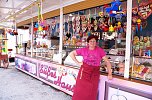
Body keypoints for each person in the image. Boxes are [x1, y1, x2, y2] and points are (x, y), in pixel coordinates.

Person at [69, 35, 112, 100]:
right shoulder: (83, 49)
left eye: (94, 41)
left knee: (92, 91)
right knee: (80, 90)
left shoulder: (100, 50)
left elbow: (107, 62)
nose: (92, 43)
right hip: (84, 73)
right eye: (91, 41)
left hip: (94, 73)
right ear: (88, 42)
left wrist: (110, 74)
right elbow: (71, 54)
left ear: (96, 42)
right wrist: (78, 63)